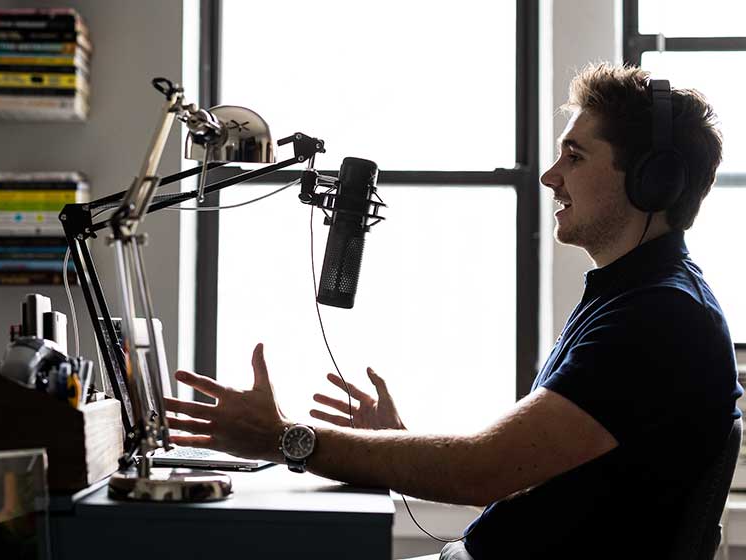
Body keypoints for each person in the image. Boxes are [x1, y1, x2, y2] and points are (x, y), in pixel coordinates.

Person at [163, 62, 742, 559]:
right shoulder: (636, 299)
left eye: (575, 154)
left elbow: (483, 470)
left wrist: (286, 439)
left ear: (651, 181)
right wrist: (396, 442)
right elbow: (522, 475)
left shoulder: (660, 320)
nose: (549, 176)